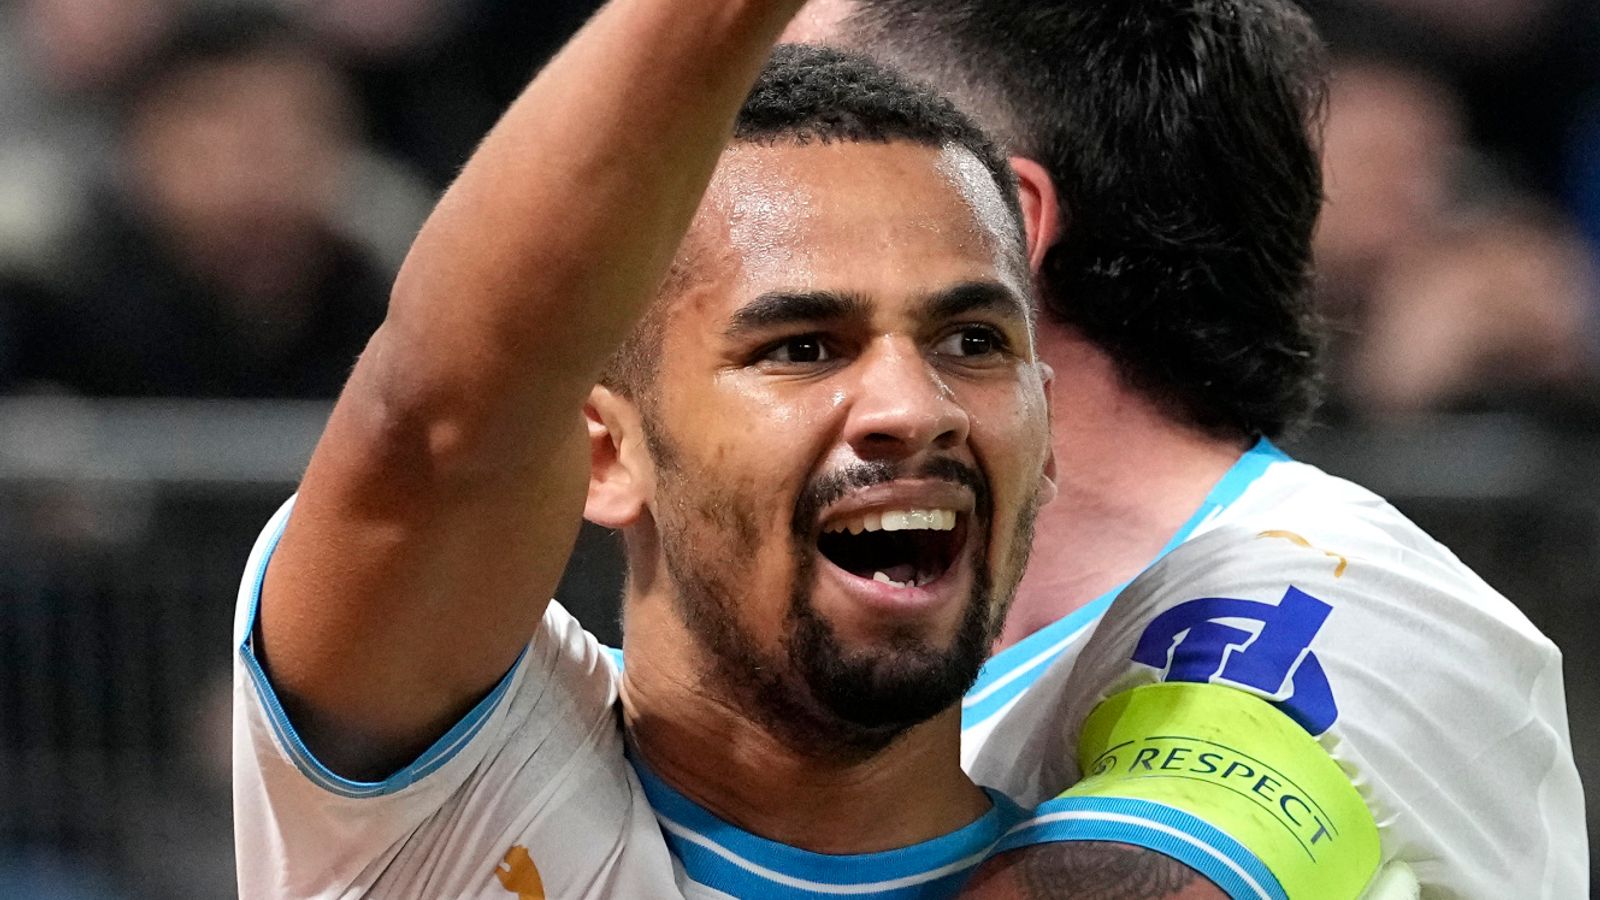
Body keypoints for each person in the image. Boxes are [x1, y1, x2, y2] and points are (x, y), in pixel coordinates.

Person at [232, 0, 1078, 895]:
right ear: (605, 452)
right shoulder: (463, 793)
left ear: (1049, 430)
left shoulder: (1160, 854)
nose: (915, 407)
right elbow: (439, 425)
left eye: (973, 343)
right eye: (801, 347)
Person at [787, 0, 1588, 896]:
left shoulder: (1343, 597)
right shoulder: (852, 640)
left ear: (985, 229)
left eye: (780, 129)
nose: (701, 193)